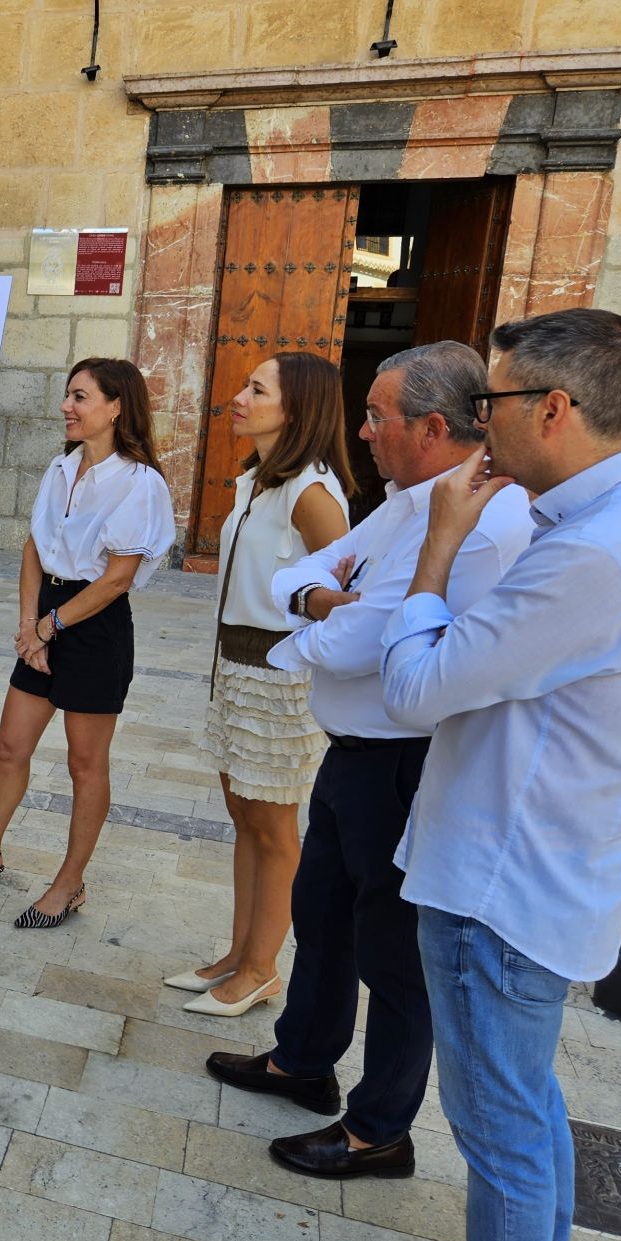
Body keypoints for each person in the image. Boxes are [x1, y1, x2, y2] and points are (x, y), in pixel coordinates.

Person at [343, 308, 621, 1241]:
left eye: (491, 402)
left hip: (505, 878)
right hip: (550, 859)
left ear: (554, 408)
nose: (477, 419)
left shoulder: (594, 553)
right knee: (527, 1104)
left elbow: (418, 688)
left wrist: (438, 548)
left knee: (497, 1123)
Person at [204, 342, 533, 1181]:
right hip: (355, 753)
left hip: (407, 761)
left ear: (430, 427)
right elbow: (309, 581)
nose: (363, 430)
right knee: (322, 914)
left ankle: (378, 1129)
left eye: (377, 416)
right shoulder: (407, 500)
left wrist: (317, 615)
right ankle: (302, 1060)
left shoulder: (476, 519)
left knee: (392, 953)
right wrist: (317, 598)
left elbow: (365, 641)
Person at [0, 358, 174, 929]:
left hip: (95, 627)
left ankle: (70, 882)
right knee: (10, 745)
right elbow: (35, 546)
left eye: (80, 397)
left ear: (115, 408)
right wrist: (29, 622)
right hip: (47, 615)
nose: (67, 407)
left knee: (85, 763)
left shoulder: (139, 483)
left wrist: (49, 628)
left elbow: (116, 578)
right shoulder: (61, 467)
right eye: (67, 395)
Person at [178, 351, 355, 1017]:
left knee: (274, 826)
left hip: (279, 678)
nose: (239, 397)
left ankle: (261, 967)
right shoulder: (258, 481)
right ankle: (238, 951)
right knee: (243, 816)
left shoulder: (312, 492)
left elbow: (345, 590)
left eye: (257, 389)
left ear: (297, 408)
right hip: (235, 667)